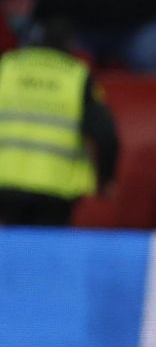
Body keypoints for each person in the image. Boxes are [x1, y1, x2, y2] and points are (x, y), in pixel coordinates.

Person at [0, 21, 118, 226]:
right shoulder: (77, 76)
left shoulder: (6, 66)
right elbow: (106, 135)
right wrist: (106, 178)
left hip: (4, 186)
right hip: (55, 190)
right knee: (44, 256)